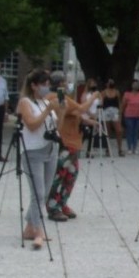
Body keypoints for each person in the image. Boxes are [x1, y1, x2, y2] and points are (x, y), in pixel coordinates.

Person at [17, 69, 60, 250]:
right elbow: (32, 125)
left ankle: (29, 228)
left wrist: (58, 109)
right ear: (34, 85)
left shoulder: (45, 102)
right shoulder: (25, 102)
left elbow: (55, 124)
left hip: (51, 149)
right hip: (33, 151)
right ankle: (38, 231)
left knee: (45, 191)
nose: (46, 88)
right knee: (38, 193)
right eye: (43, 84)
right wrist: (48, 109)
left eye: (48, 84)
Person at [45, 71, 96, 222]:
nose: (68, 84)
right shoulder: (57, 97)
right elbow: (81, 108)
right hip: (65, 142)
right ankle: (53, 207)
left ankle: (62, 202)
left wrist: (88, 122)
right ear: (60, 84)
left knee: (71, 174)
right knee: (60, 174)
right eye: (66, 82)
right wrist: (94, 97)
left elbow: (74, 112)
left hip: (73, 141)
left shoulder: (62, 98)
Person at [121, 79, 139, 154]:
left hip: (138, 115)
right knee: (130, 131)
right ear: (131, 85)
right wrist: (121, 114)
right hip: (129, 115)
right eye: (134, 84)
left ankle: (135, 147)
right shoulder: (127, 94)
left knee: (136, 131)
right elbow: (123, 105)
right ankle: (129, 148)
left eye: (137, 84)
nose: (136, 85)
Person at [101, 79, 124, 156]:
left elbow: (119, 103)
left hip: (115, 111)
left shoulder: (117, 92)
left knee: (119, 130)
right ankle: (107, 149)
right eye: (109, 82)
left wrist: (120, 113)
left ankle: (120, 149)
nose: (111, 83)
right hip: (106, 111)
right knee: (107, 131)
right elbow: (101, 103)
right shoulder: (104, 92)